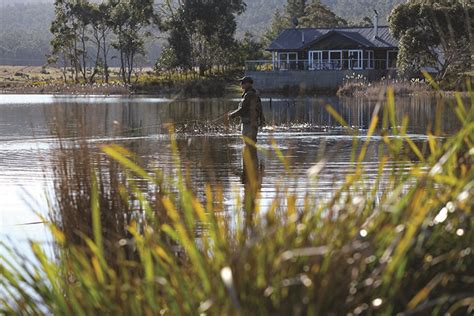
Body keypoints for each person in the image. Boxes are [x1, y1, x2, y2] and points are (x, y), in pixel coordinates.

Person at [228, 76, 265, 144]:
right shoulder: (253, 93)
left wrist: (232, 115)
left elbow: (243, 109)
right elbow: (260, 109)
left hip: (248, 124)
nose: (241, 84)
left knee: (249, 145)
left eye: (243, 82)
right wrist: (262, 120)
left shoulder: (249, 94)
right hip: (252, 123)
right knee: (251, 145)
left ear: (248, 84)